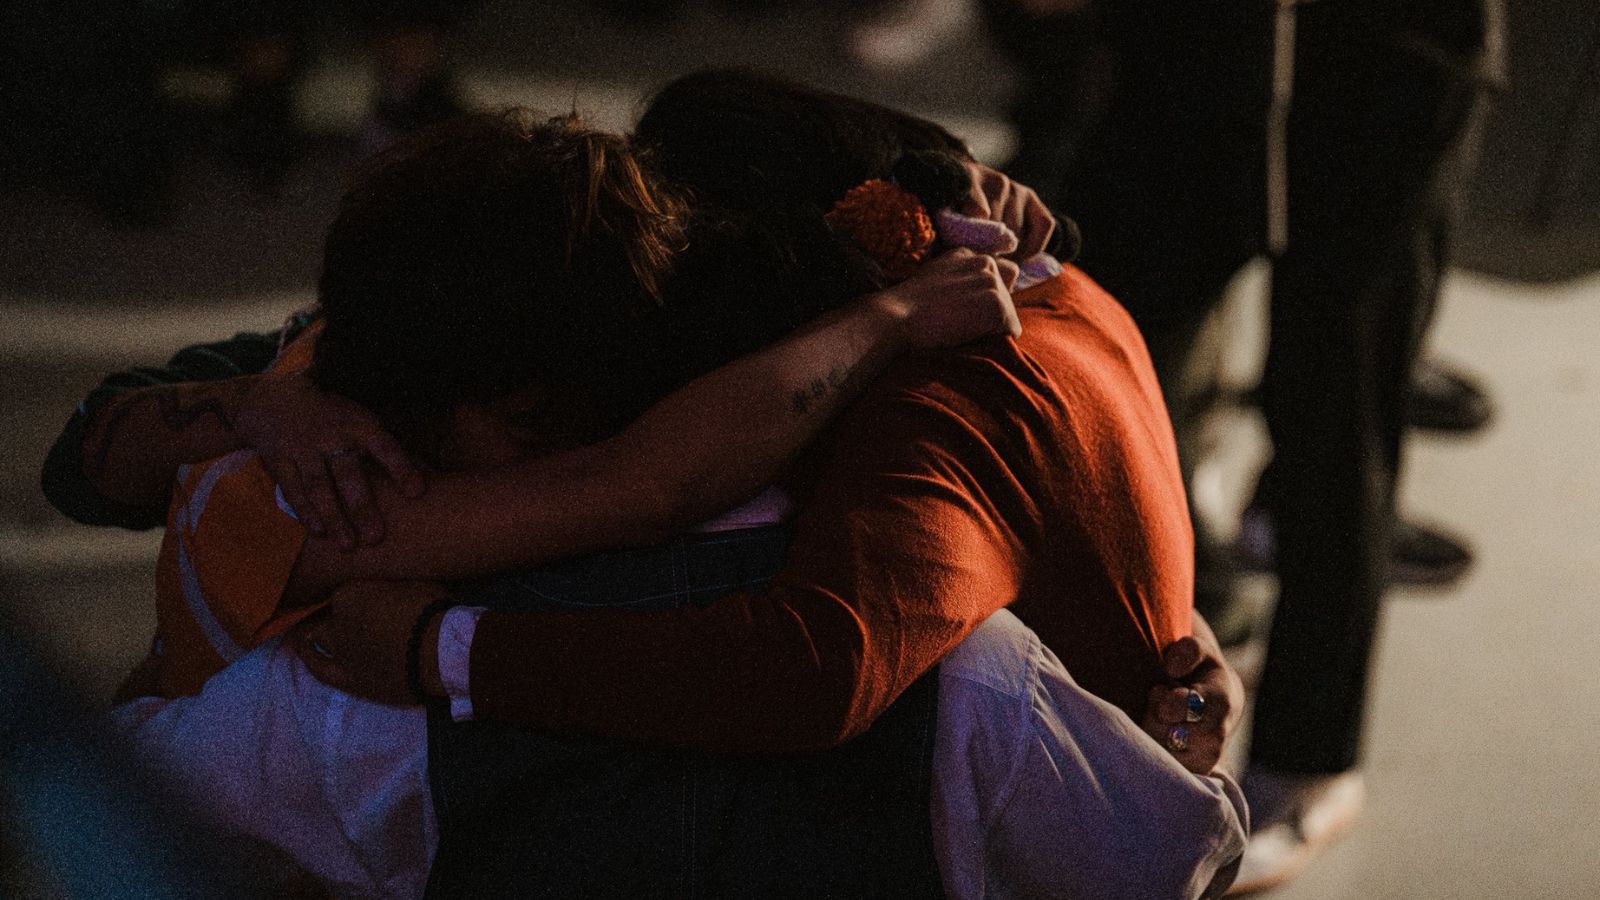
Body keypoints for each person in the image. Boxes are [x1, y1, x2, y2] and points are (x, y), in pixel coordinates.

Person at [49, 74, 1244, 896]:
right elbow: (645, 485)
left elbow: (726, 568)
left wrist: (444, 651)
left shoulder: (911, 424)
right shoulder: (337, 473)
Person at [973, 1, 1501, 891]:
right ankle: (1168, 635)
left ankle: (1312, 751)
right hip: (1197, 41)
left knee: (1340, 409)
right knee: (1104, 363)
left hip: (1389, 47)